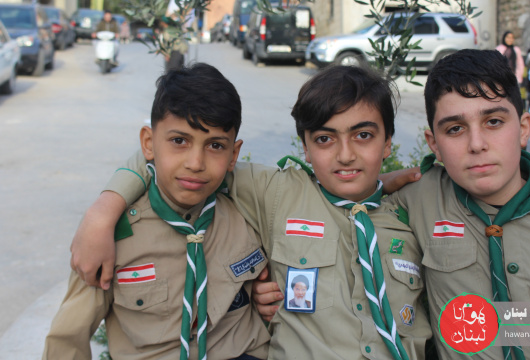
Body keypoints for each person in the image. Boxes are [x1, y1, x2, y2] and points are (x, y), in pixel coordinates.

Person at [70, 65, 434, 359]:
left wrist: (380, 184)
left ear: (388, 142)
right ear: (305, 148)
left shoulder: (415, 207)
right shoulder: (276, 193)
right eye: (325, 139)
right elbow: (177, 160)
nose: (346, 155)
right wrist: (104, 210)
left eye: (363, 136)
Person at [43, 63, 270, 360]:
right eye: (179, 141)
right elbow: (67, 339)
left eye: (215, 145)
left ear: (233, 155)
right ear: (148, 144)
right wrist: (100, 215)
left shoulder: (248, 212)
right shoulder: (112, 237)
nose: (195, 163)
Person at [384, 49, 530, 359]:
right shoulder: (420, 199)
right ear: (435, 145)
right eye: (455, 129)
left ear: (524, 129)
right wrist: (381, 181)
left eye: (494, 121)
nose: (476, 144)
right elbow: (341, 196)